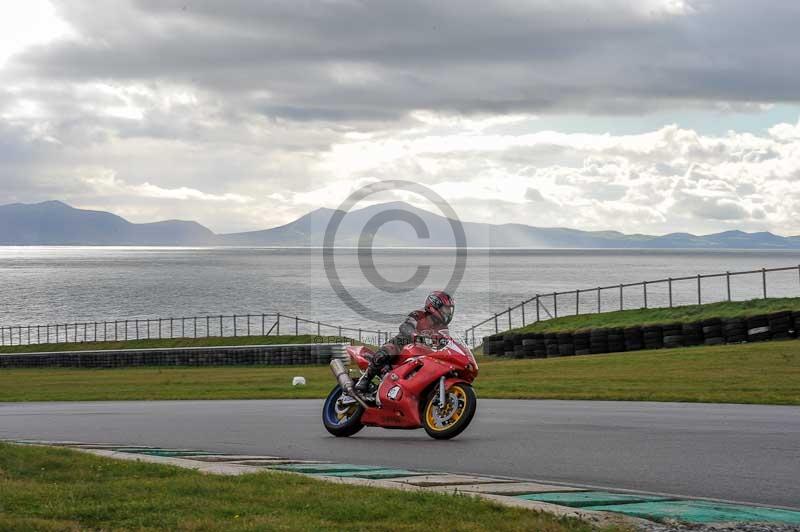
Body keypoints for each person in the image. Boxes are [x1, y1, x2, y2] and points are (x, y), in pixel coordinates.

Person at [355, 291, 454, 394]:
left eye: (449, 309)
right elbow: (405, 326)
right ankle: (365, 379)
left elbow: (445, 341)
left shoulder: (443, 327)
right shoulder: (418, 314)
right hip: (403, 344)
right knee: (388, 351)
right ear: (434, 306)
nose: (448, 312)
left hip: (424, 353)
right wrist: (414, 334)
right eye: (445, 308)